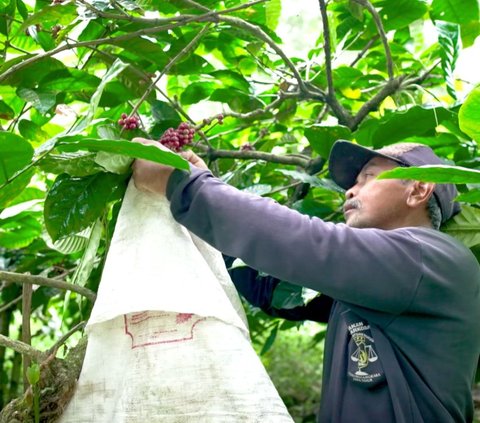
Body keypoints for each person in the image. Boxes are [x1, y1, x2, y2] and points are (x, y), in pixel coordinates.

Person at [132, 138, 480, 423]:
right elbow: (275, 290)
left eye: (368, 177)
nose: (349, 191)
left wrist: (183, 185)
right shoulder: (372, 285)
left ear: (418, 190)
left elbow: (306, 243)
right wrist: (207, 199)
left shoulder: (431, 260)